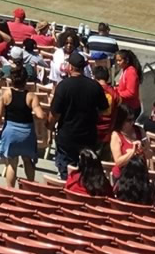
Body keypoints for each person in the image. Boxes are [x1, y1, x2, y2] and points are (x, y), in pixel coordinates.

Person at [47, 52, 110, 183]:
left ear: (70, 67)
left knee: (66, 174)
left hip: (67, 137)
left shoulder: (63, 86)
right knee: (85, 173)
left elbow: (55, 113)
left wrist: (50, 126)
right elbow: (104, 109)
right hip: (88, 136)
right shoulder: (95, 86)